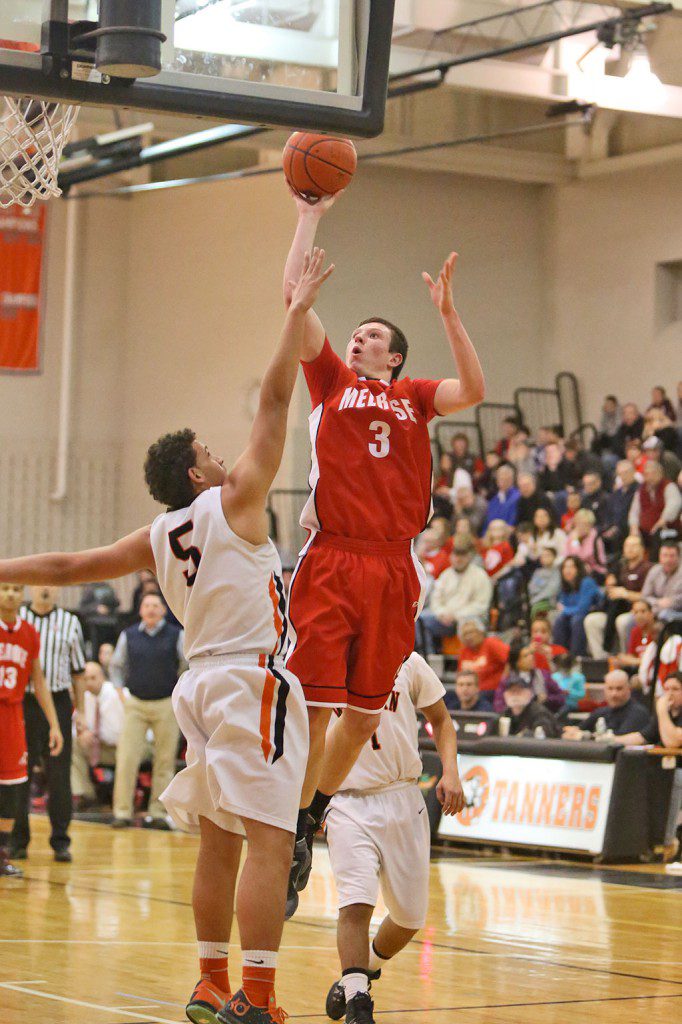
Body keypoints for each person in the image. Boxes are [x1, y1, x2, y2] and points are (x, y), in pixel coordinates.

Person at [0, 250, 332, 1024]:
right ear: (196, 474)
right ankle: (258, 998)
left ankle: (211, 982)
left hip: (199, 689)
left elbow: (67, 565)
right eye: (209, 453)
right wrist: (295, 313)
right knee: (271, 842)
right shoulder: (235, 499)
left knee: (218, 844)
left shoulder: (157, 537)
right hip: (250, 679)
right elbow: (276, 398)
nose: (222, 455)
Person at [282, 189, 485, 912]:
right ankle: (289, 830)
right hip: (333, 556)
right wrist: (308, 215)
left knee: (365, 716)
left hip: (395, 563)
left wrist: (449, 315)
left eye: (371, 335)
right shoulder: (330, 381)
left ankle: (310, 817)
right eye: (355, 332)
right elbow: (295, 303)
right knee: (313, 708)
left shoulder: (416, 397)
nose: (358, 338)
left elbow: (476, 388)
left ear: (395, 356)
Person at [323, 653, 464, 1024]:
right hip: (346, 800)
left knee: (408, 918)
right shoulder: (324, 656)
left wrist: (451, 772)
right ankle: (358, 1002)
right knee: (355, 902)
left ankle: (359, 973)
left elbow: (441, 720)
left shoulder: (408, 661)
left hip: (403, 796)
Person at [11, 586, 85, 863]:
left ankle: (61, 841)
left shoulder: (70, 622)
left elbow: (78, 672)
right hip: (24, 702)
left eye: (51, 584)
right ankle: (18, 841)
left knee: (59, 776)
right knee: (20, 775)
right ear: (30, 587)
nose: (45, 589)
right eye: (39, 583)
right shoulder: (16, 618)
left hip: (58, 701)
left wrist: (81, 712)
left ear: (58, 589)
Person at [0, 583, 63, 877]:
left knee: (11, 789)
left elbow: (39, 682)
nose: (11, 594)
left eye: (16, 589)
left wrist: (55, 724)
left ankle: (2, 855)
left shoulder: (29, 633)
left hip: (13, 716)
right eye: (4, 588)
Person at [108, 592, 185, 829]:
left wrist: (178, 694)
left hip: (165, 703)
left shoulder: (177, 634)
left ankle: (158, 813)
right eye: (147, 605)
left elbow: (185, 666)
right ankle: (122, 812)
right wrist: (121, 692)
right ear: (141, 610)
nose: (151, 609)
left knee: (164, 761)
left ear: (163, 610)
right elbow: (116, 666)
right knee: (126, 758)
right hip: (136, 703)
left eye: (155, 605)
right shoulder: (128, 635)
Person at [618, 672, 682, 873]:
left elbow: (672, 741)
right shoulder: (667, 714)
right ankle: (648, 843)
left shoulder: (664, 713)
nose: (669, 694)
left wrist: (661, 710)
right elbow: (642, 736)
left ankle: (670, 844)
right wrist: (609, 739)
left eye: (675, 689)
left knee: (676, 779)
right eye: (667, 689)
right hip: (665, 772)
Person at [417, 542, 492, 656]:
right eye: (456, 555)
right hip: (445, 618)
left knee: (467, 624)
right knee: (421, 619)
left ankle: (467, 659)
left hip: (470, 617)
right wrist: (442, 613)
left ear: (469, 557)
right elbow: (436, 600)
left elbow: (481, 605)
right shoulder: (445, 575)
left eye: (462, 556)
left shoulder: (480, 576)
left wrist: (456, 615)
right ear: (451, 557)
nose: (458, 559)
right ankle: (428, 657)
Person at [583, 534, 650, 657]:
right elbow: (611, 588)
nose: (630, 549)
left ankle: (626, 658)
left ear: (642, 549)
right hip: (614, 611)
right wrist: (610, 588)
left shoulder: (648, 569)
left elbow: (648, 596)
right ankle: (601, 659)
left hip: (635, 610)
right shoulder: (620, 567)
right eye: (627, 546)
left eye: (634, 545)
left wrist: (626, 594)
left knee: (622, 621)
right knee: (592, 620)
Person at [71, 660, 124, 810]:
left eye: (93, 678)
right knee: (73, 744)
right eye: (85, 679)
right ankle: (85, 794)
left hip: (119, 748)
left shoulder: (115, 694)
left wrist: (93, 736)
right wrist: (82, 733)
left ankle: (121, 801)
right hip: (98, 748)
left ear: (102, 677)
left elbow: (118, 734)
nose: (89, 683)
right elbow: (74, 727)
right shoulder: (84, 697)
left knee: (126, 749)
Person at [562, 670, 650, 739]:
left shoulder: (638, 713)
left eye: (619, 689)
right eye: (610, 688)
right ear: (604, 690)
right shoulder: (601, 712)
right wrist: (571, 732)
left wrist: (586, 736)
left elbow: (620, 740)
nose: (614, 694)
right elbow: (580, 729)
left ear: (628, 689)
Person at [493, 642, 566, 714]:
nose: (531, 658)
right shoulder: (507, 681)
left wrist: (547, 698)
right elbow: (498, 705)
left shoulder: (543, 675)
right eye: (525, 656)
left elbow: (561, 697)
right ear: (517, 662)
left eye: (531, 654)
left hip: (542, 715)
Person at [552, 556, 601, 657]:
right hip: (576, 614)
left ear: (579, 569)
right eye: (565, 567)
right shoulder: (565, 585)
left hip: (594, 612)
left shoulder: (587, 582)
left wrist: (565, 609)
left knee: (576, 620)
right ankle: (560, 656)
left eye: (571, 567)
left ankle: (576, 657)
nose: (567, 570)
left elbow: (583, 609)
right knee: (559, 620)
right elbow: (563, 606)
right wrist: (565, 610)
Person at [628, 460, 681, 552]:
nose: (649, 477)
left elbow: (674, 505)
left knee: (658, 534)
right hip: (645, 531)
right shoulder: (641, 490)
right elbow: (634, 511)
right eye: (646, 474)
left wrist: (662, 521)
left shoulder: (669, 486)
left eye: (652, 473)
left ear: (660, 473)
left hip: (668, 529)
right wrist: (634, 527)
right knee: (632, 538)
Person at [457, 619, 509, 700]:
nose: (468, 637)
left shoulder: (491, 643)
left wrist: (503, 682)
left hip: (493, 692)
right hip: (472, 693)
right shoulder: (464, 651)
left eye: (471, 632)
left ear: (481, 632)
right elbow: (460, 675)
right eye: (465, 634)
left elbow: (511, 660)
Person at [613, 599, 657, 672]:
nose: (639, 616)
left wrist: (635, 661)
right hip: (638, 670)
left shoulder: (658, 631)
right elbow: (631, 655)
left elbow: (657, 660)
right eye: (636, 612)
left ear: (651, 613)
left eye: (643, 611)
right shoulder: (635, 631)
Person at [564, 509, 607, 580]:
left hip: (594, 572)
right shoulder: (571, 537)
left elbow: (580, 557)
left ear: (591, 525)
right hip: (574, 571)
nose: (582, 527)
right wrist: (575, 540)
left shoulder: (595, 538)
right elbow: (566, 556)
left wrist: (575, 542)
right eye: (579, 523)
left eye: (585, 524)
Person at [482, 464, 519, 530]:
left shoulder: (517, 497)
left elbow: (513, 522)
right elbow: (487, 523)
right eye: (501, 478)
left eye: (506, 479)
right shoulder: (493, 501)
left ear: (512, 480)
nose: (503, 482)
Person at [528, 547, 561, 618]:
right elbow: (531, 588)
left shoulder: (557, 572)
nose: (545, 558)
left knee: (537, 608)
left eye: (547, 555)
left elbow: (552, 590)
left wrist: (537, 599)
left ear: (554, 557)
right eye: (542, 556)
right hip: (536, 600)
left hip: (550, 602)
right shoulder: (537, 572)